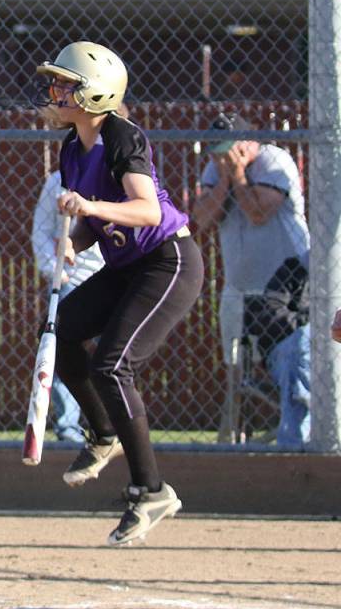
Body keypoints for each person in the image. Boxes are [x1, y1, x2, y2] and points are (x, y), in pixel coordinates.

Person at [34, 41, 204, 545]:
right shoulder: (71, 146)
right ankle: (102, 432)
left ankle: (150, 490)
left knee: (111, 364)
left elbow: (146, 211)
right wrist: (76, 241)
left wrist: (87, 206)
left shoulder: (122, 135)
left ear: (94, 94)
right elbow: (95, 221)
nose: (54, 91)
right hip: (126, 264)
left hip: (166, 262)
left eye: (64, 84)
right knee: (60, 334)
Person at [191, 112, 309, 440]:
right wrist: (226, 180)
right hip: (240, 287)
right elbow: (201, 218)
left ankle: (295, 434)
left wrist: (239, 174)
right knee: (235, 372)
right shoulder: (217, 168)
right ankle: (233, 437)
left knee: (291, 364)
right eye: (217, 151)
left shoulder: (275, 161)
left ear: (247, 143)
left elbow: (258, 213)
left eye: (227, 150)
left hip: (286, 291)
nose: (221, 157)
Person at [30, 110, 106, 443]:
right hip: (70, 279)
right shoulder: (56, 183)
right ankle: (68, 426)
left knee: (110, 357)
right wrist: (55, 272)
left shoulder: (117, 180)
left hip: (108, 278)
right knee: (63, 348)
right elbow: (41, 234)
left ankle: (107, 425)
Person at [243, 252, 310, 447]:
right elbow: (272, 313)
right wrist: (317, 323)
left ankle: (293, 447)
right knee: (303, 342)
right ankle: (303, 444)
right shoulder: (293, 269)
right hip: (286, 354)